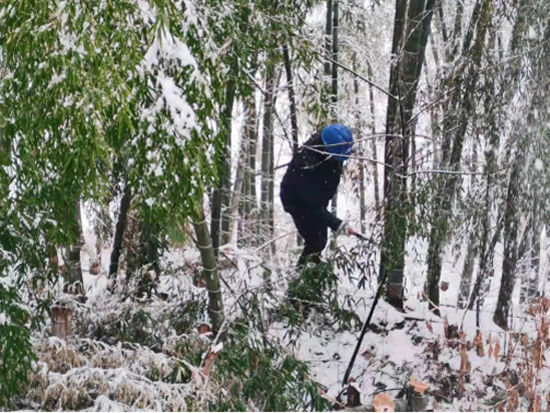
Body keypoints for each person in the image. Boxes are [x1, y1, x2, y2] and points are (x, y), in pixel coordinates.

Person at [280, 124, 359, 267]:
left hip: (316, 198)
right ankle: (301, 280)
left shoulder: (328, 146)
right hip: (297, 202)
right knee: (315, 241)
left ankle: (311, 270)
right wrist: (339, 224)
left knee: (321, 239)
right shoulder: (305, 166)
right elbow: (313, 207)